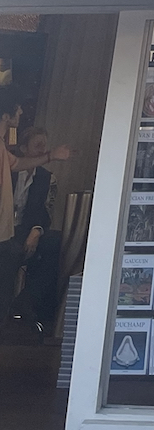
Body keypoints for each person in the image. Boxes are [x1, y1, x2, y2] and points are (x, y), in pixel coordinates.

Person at [0, 104, 70, 329]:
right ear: (23, 147)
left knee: (56, 242)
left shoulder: (46, 177)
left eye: (45, 146)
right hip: (5, 230)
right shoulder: (9, 166)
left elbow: (45, 211)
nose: (42, 149)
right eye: (37, 145)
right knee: (10, 252)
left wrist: (36, 230)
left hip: (25, 229)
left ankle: (27, 301)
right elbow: (17, 166)